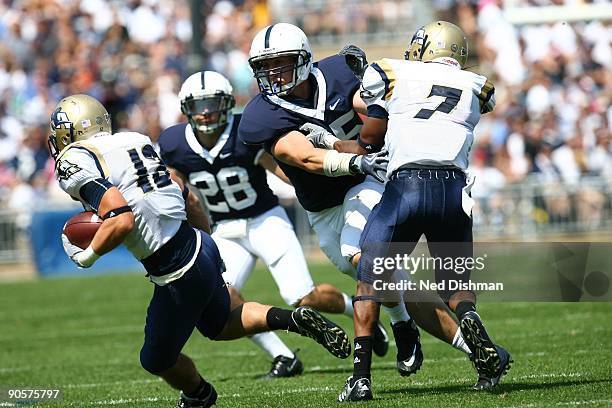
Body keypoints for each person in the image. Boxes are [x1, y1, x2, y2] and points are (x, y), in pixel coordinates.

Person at [49, 94, 351, 408]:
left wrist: (88, 256)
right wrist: (206, 248)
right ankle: (294, 320)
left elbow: (121, 218)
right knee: (220, 324)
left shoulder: (74, 158)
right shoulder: (134, 139)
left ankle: (199, 396)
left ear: (69, 133)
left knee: (155, 358)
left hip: (174, 264)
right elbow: (187, 196)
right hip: (199, 242)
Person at [239, 23, 473, 380]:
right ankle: (417, 329)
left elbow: (379, 109)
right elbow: (304, 157)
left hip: (363, 183)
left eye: (281, 63)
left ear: (303, 60)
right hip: (322, 206)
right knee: (374, 272)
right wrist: (353, 157)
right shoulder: (261, 113)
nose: (273, 73)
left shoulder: (335, 73)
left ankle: (428, 336)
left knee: (362, 258)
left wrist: (371, 90)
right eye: (265, 66)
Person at [157, 70, 385, 379]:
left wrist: (317, 194)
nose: (206, 113)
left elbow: (284, 171)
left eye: (212, 104)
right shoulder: (173, 142)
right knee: (221, 301)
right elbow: (177, 189)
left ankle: (352, 310)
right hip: (224, 229)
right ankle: (283, 355)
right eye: (198, 106)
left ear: (226, 104)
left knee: (304, 297)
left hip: (264, 220)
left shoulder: (244, 131)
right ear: (186, 109)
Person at [332, 21, 513, 401]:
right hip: (454, 190)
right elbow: (471, 104)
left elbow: (370, 136)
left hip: (407, 186)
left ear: (425, 46)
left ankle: (361, 377)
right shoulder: (479, 85)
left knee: (370, 278)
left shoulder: (393, 71)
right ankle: (472, 325)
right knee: (455, 285)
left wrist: (371, 99)